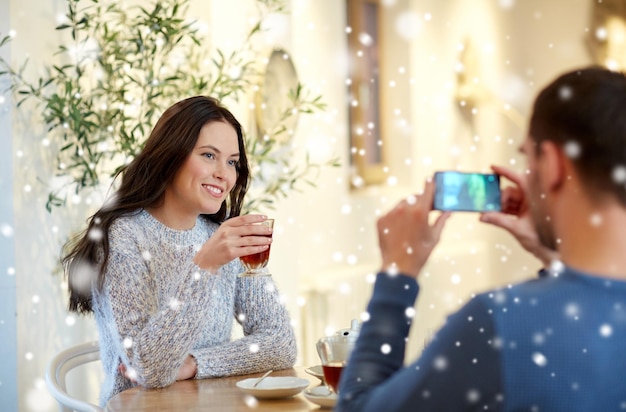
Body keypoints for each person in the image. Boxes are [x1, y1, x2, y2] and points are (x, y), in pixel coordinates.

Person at [336, 66, 626, 411]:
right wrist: (552, 257)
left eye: (528, 158)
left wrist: (397, 274)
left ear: (552, 164)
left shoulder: (502, 324)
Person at [62, 96, 297, 406]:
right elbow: (150, 369)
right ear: (171, 155)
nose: (224, 174)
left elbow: (280, 343)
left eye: (232, 161)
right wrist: (204, 267)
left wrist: (195, 363)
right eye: (208, 155)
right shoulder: (125, 237)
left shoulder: (221, 235)